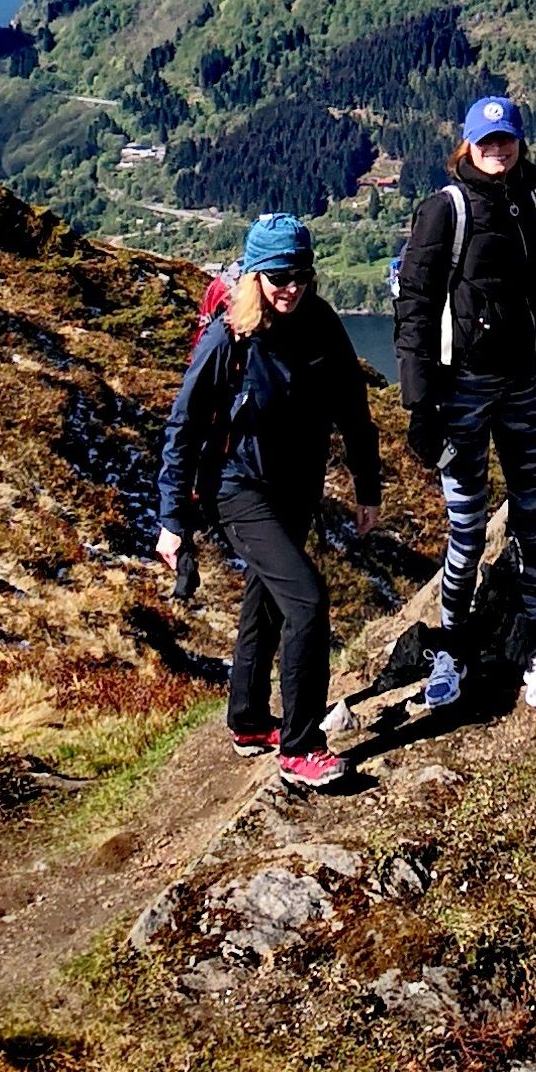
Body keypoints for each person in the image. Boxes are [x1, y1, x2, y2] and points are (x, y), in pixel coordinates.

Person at [156, 214, 384, 788]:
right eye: (278, 275)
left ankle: (250, 722)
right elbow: (183, 425)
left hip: (297, 489)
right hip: (237, 488)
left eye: (301, 274)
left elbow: (354, 410)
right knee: (306, 599)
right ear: (255, 275)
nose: (291, 286)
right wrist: (171, 519)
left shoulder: (321, 322)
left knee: (267, 599)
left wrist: (367, 488)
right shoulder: (229, 335)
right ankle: (302, 747)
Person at [392, 94, 536, 715]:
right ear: (466, 146)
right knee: (466, 527)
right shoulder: (445, 210)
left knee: (530, 521)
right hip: (462, 389)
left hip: (520, 383)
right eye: (486, 142)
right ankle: (452, 648)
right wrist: (420, 402)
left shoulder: (524, 205)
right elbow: (414, 306)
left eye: (507, 141)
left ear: (520, 144)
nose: (498, 151)